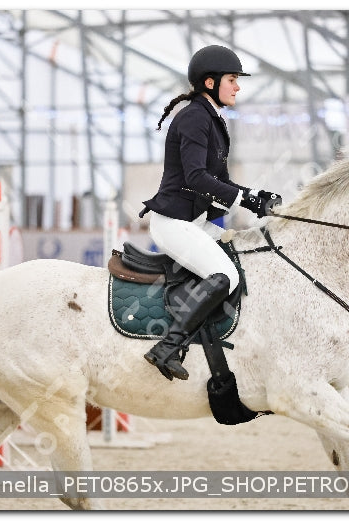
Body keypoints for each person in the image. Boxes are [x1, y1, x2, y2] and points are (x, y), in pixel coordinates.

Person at [139, 44, 282, 381]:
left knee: (247, 257)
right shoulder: (193, 118)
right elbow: (196, 178)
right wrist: (245, 200)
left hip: (197, 222)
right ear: (210, 83)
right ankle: (167, 347)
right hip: (174, 223)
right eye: (232, 79)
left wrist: (254, 197)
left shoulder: (212, 120)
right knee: (225, 276)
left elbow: (220, 182)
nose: (237, 86)